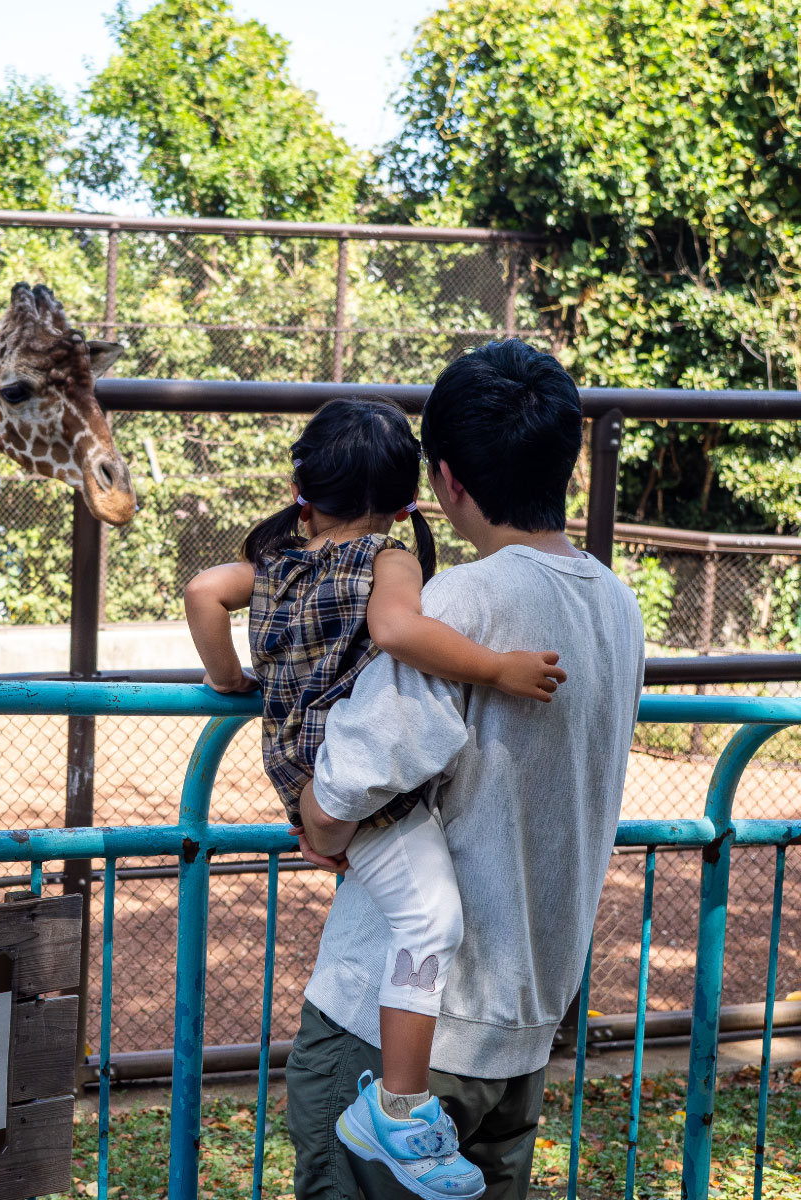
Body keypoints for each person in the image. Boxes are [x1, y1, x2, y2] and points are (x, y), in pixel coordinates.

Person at [283, 341, 645, 1200]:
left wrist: (315, 818)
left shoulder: (462, 603)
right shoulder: (616, 604)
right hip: (521, 1027)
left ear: (445, 481)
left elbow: (343, 791)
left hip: (397, 1045)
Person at [185, 394, 567, 1200]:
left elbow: (201, 592)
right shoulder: (388, 560)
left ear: (302, 487)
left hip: (295, 768)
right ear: (408, 498)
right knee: (432, 920)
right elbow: (397, 634)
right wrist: (497, 669)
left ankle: (395, 1102)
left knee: (411, 904)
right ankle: (395, 1105)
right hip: (351, 785)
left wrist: (228, 681)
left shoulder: (277, 563)